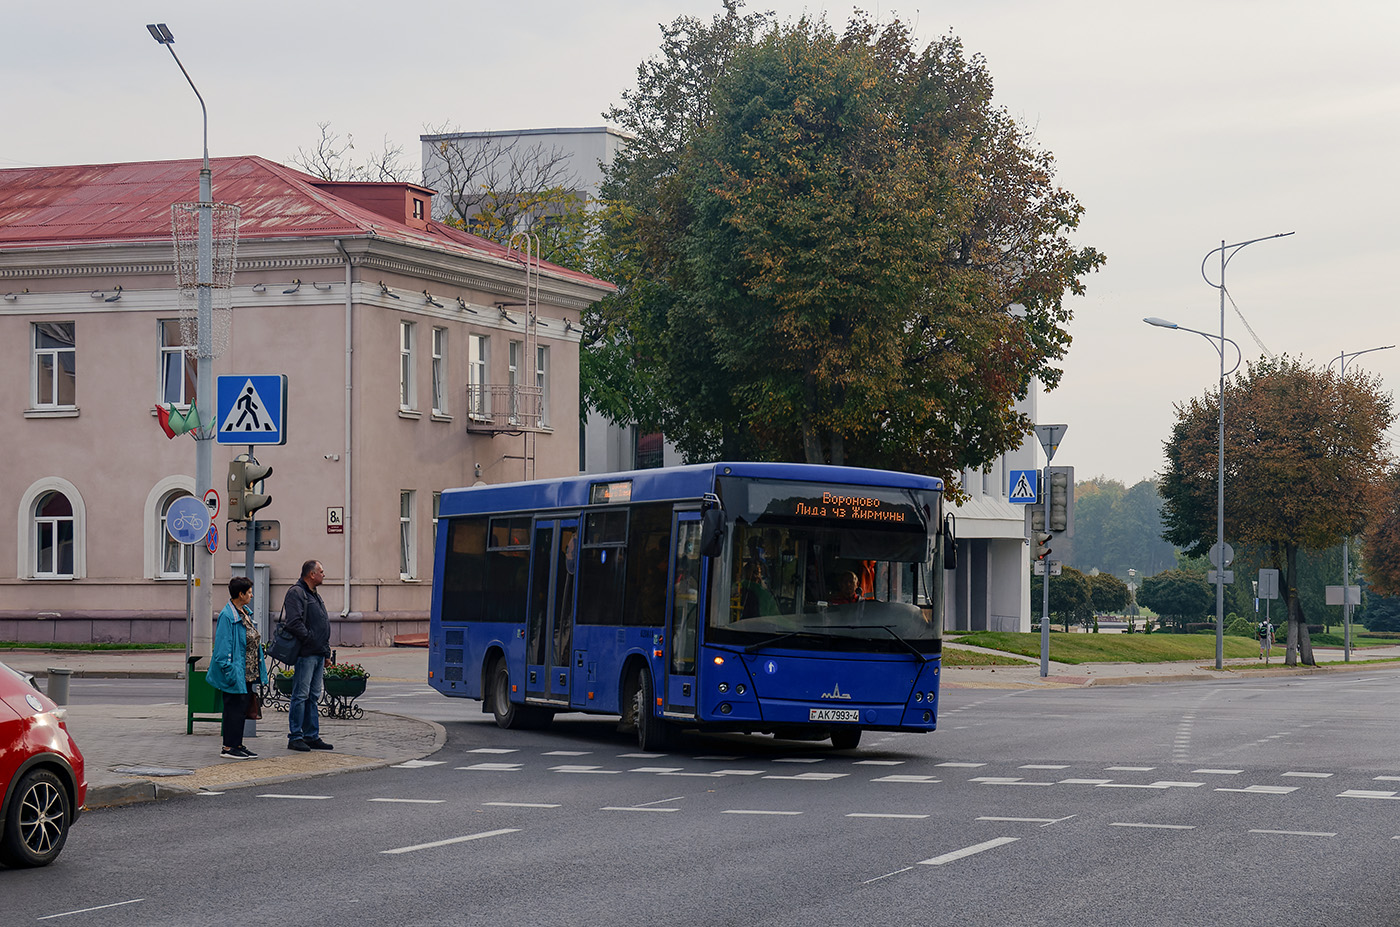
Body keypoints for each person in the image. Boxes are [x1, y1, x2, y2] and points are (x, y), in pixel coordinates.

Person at [207, 576, 267, 759]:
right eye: (248, 592)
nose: (251, 595)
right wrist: (229, 671)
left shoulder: (244, 613)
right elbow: (223, 648)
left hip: (247, 671)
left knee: (241, 709)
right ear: (240, 594)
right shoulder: (227, 616)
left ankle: (238, 744)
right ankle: (228, 747)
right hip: (235, 672)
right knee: (233, 709)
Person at [282, 559, 333, 752]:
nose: (323, 574)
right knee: (301, 695)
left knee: (312, 696)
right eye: (321, 571)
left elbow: (321, 624)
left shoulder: (313, 594)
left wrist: (325, 651)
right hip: (306, 653)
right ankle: (295, 736)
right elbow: (293, 623)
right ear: (311, 574)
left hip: (318, 652)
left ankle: (311, 735)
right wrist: (311, 640)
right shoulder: (296, 593)